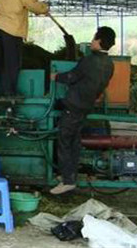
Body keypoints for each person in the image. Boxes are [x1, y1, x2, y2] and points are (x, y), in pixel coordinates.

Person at [50, 27, 116, 195]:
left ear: (100, 41)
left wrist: (56, 76)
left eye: (94, 39)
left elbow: (72, 77)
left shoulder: (88, 61)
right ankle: (69, 174)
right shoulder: (109, 64)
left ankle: (67, 180)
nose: (92, 41)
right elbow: (102, 86)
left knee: (64, 139)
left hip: (73, 106)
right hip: (86, 106)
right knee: (75, 141)